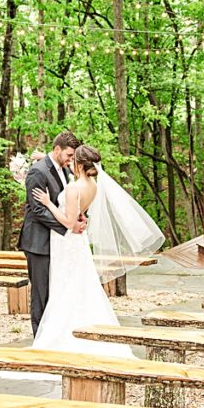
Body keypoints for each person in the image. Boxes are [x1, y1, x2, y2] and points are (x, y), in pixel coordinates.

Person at [28, 144, 138, 356]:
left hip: (66, 242)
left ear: (78, 163)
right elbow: (78, 212)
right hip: (79, 243)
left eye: (72, 160)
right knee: (80, 285)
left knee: (64, 287)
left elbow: (69, 222)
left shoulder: (72, 188)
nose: (69, 162)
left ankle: (62, 335)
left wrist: (49, 203)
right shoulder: (93, 184)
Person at [16, 131, 83, 335]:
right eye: (69, 155)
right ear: (57, 150)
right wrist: (67, 226)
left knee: (55, 290)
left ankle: (52, 333)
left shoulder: (63, 170)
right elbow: (37, 210)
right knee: (40, 292)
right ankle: (40, 336)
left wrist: (78, 217)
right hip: (38, 243)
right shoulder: (38, 171)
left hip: (55, 241)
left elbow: (62, 202)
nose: (72, 160)